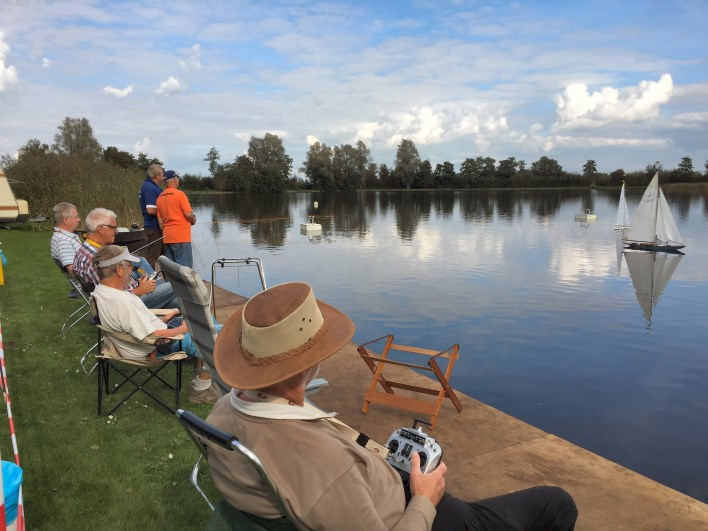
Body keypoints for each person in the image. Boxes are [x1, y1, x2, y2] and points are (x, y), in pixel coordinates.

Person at [204, 282, 578, 530]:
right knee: (555, 504)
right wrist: (425, 500)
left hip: (390, 496)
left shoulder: (223, 410)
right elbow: (328, 477)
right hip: (415, 517)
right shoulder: (321, 465)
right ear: (311, 363)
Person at [91, 245, 220, 404]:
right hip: (157, 345)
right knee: (218, 335)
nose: (132, 270)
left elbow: (138, 325)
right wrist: (185, 327)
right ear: (119, 270)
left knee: (208, 319)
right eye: (130, 266)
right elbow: (155, 336)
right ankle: (200, 390)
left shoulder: (102, 293)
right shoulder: (122, 301)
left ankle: (199, 372)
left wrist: (167, 318)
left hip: (146, 340)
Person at [73, 207, 179, 310]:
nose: (117, 232)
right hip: (131, 303)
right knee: (180, 286)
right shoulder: (98, 260)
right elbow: (112, 300)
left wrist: (138, 284)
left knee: (178, 301)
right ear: (101, 229)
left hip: (131, 295)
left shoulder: (85, 249)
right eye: (113, 228)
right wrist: (139, 290)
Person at [156, 170, 196, 268]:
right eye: (178, 178)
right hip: (181, 237)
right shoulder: (180, 194)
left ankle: (172, 284)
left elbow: (160, 221)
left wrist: (167, 232)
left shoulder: (160, 197)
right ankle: (185, 284)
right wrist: (193, 220)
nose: (178, 180)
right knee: (185, 270)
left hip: (167, 237)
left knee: (173, 270)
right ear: (174, 179)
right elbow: (188, 214)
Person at [50, 202, 83, 297]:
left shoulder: (63, 236)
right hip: (87, 284)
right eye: (76, 217)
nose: (79, 220)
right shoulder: (63, 241)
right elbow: (72, 271)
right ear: (66, 220)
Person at [139, 164, 165, 269]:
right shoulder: (150, 187)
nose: (163, 176)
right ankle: (150, 282)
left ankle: (167, 281)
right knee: (152, 257)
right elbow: (150, 210)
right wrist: (166, 214)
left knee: (162, 256)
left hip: (153, 226)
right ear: (157, 175)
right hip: (153, 227)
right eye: (162, 173)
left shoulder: (150, 186)